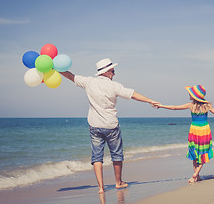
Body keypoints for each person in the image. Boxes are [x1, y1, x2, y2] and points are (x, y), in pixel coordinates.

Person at [60, 58, 159, 194]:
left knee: (97, 157)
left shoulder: (89, 82)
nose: (114, 73)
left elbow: (71, 76)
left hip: (94, 125)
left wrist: (56, 69)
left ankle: (101, 187)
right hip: (111, 125)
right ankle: (118, 182)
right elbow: (133, 95)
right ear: (106, 72)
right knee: (117, 154)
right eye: (113, 70)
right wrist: (150, 101)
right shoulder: (114, 86)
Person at [155, 85, 214, 183]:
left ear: (194, 96)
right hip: (204, 130)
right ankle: (196, 175)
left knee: (194, 152)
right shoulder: (207, 106)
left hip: (194, 130)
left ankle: (196, 174)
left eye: (190, 93)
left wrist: (161, 106)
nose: (189, 94)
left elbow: (174, 108)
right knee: (203, 152)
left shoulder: (190, 105)